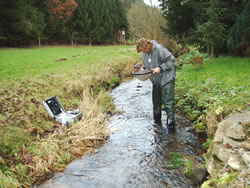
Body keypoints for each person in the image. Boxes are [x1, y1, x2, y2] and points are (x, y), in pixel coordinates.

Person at [136, 38, 176, 129]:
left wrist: (160, 68)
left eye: (144, 50)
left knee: (168, 102)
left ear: (148, 46)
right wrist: (143, 70)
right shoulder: (145, 55)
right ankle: (157, 123)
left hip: (167, 78)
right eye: (142, 51)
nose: (143, 52)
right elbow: (149, 67)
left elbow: (172, 60)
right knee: (156, 102)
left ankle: (171, 124)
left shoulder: (159, 49)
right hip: (156, 81)